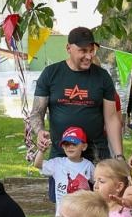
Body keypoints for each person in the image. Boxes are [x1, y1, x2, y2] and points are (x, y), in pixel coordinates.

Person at [31, 27, 123, 161]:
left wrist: (119, 155)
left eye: (92, 50)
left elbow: (112, 119)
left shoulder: (102, 76)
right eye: (83, 51)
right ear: (68, 48)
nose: (89, 56)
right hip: (62, 154)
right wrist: (39, 132)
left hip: (96, 154)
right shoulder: (50, 73)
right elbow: (36, 112)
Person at [35, 126, 95, 207]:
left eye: (74, 143)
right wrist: (41, 151)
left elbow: (96, 183)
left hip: (81, 213)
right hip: (61, 214)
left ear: (84, 146)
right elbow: (38, 165)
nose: (70, 147)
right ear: (63, 147)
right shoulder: (57, 163)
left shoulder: (88, 165)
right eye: (66, 144)